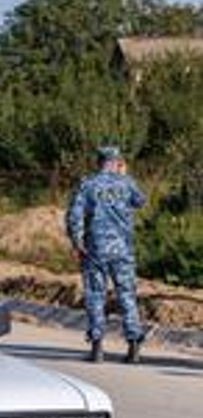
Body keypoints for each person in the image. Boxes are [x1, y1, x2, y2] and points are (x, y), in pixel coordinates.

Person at [66, 145, 147, 364]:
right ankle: (133, 347)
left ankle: (97, 347)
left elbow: (74, 216)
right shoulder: (127, 183)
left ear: (98, 161)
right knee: (127, 295)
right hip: (123, 250)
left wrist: (77, 242)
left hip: (95, 250)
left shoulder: (88, 184)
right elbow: (140, 201)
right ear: (117, 161)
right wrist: (125, 175)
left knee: (95, 295)